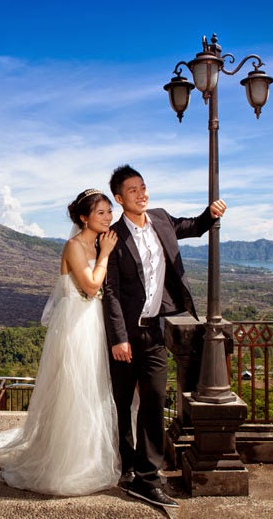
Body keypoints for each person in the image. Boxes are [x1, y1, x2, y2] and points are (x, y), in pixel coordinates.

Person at [102, 164, 226, 509]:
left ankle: (148, 477)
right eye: (132, 190)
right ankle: (126, 466)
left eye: (143, 187)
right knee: (123, 404)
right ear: (119, 198)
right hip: (126, 335)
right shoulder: (112, 237)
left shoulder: (160, 219)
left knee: (155, 402)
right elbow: (110, 292)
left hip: (155, 332)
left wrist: (210, 212)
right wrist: (118, 337)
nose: (141, 194)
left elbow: (196, 227)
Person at [0, 188, 121, 496]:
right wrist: (105, 256)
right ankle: (67, 464)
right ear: (84, 218)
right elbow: (89, 287)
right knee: (75, 390)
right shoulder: (74, 246)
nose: (108, 217)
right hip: (76, 326)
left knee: (95, 390)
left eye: (109, 212)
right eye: (101, 213)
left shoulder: (100, 243)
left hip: (95, 323)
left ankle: (90, 455)